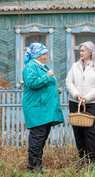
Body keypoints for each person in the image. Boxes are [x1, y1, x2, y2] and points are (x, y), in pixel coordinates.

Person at [22, 42, 64, 173]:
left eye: (46, 54)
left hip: (43, 107)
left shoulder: (42, 67)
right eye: (42, 54)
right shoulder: (30, 67)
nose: (45, 56)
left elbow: (43, 86)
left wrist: (54, 90)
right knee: (37, 136)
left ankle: (37, 163)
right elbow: (32, 83)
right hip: (36, 107)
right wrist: (48, 76)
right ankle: (33, 165)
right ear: (35, 54)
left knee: (42, 136)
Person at [66, 41, 95, 166]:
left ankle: (92, 161)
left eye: (83, 50)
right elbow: (69, 82)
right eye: (80, 51)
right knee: (78, 132)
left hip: (92, 103)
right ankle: (82, 160)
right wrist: (77, 95)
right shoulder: (75, 66)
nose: (81, 53)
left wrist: (86, 98)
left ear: (91, 52)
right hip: (75, 102)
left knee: (89, 131)